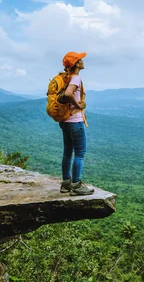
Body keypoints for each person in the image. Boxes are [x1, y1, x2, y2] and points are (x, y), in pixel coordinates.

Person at [59, 51, 95, 196]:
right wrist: (79, 105)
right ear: (76, 64)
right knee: (79, 153)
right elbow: (68, 94)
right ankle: (76, 185)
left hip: (65, 121)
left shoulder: (65, 78)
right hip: (75, 121)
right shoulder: (75, 79)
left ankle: (66, 183)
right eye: (80, 59)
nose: (83, 61)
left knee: (68, 152)